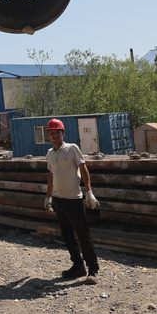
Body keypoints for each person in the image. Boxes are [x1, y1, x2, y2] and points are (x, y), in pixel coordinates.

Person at [43, 118, 100, 283]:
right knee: (67, 236)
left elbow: (83, 169)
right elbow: (51, 175)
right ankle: (78, 267)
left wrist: (89, 192)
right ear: (49, 135)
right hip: (59, 200)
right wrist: (48, 197)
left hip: (74, 200)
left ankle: (93, 269)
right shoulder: (49, 154)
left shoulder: (72, 149)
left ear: (63, 133)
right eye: (51, 133)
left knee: (83, 235)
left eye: (57, 132)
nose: (54, 135)